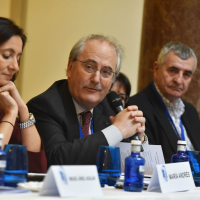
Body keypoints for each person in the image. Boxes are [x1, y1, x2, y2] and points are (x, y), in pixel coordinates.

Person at [27, 34, 146, 168]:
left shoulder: (108, 106)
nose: (96, 79)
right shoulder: (44, 105)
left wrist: (138, 140)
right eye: (89, 67)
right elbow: (57, 159)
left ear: (112, 81)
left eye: (106, 72)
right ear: (70, 67)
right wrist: (117, 130)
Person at [128, 42, 200, 163]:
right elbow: (150, 162)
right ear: (156, 69)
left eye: (186, 74)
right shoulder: (136, 108)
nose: (179, 80)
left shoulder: (190, 111)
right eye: (173, 70)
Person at [0, 17, 47, 172]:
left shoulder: (5, 101)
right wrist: (11, 114)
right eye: (7, 55)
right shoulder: (7, 109)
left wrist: (23, 111)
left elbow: (36, 168)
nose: (15, 67)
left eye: (18, 59)